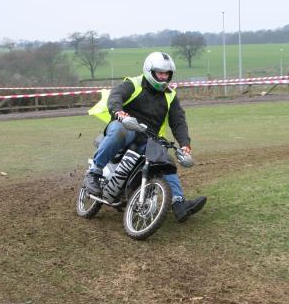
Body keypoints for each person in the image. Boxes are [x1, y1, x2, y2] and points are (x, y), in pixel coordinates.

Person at [84, 51, 206, 223]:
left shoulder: (170, 95)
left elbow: (178, 122)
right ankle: (94, 172)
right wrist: (120, 114)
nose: (164, 77)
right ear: (150, 70)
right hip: (125, 127)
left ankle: (179, 204)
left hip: (149, 138)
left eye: (167, 74)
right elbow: (115, 96)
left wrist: (185, 145)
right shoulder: (133, 84)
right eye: (160, 73)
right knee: (122, 131)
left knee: (166, 162)